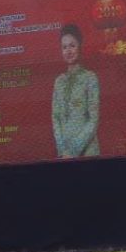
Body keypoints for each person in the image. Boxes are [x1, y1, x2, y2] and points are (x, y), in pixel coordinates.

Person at [51, 23, 100, 158]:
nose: (68, 51)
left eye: (72, 45)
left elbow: (93, 120)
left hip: (88, 152)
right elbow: (55, 118)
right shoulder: (59, 82)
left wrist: (73, 151)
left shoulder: (90, 78)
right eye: (64, 47)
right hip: (64, 154)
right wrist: (62, 150)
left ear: (80, 46)